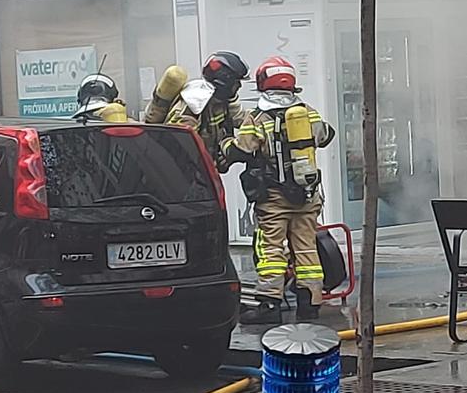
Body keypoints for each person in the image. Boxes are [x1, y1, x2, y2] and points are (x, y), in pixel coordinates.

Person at [227, 56, 335, 324]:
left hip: (274, 198)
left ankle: (269, 305)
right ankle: (310, 303)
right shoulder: (308, 111)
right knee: (307, 249)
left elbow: (243, 148)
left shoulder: (259, 116)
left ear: (264, 83)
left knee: (271, 249)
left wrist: (223, 147)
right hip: (307, 195)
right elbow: (326, 136)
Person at [144, 51, 249, 170]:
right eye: (236, 82)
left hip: (200, 172)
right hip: (182, 173)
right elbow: (178, 144)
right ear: (224, 82)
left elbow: (240, 119)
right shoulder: (194, 103)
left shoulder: (221, 100)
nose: (239, 86)